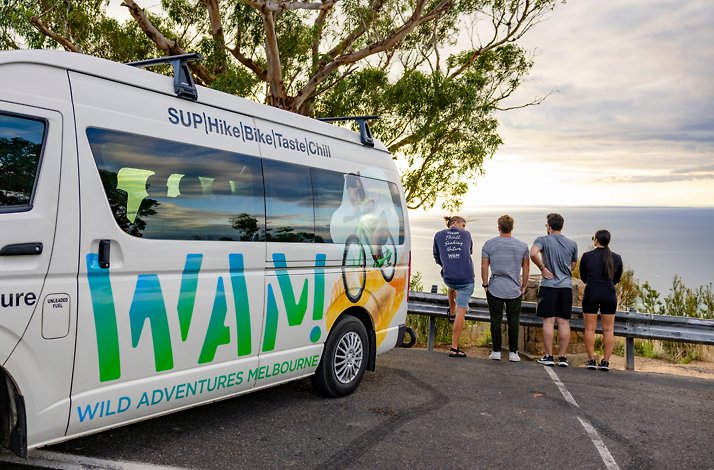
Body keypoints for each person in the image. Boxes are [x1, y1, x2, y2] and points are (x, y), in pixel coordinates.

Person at [530, 213, 578, 367]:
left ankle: (549, 356)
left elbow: (532, 253)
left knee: (549, 321)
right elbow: (573, 264)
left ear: (549, 226)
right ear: (561, 226)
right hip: (565, 287)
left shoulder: (542, 240)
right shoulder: (572, 243)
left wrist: (543, 268)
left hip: (549, 286)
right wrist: (564, 272)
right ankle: (563, 357)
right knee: (564, 322)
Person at [481, 215, 530, 362]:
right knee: (513, 320)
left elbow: (484, 266)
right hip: (514, 289)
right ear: (512, 227)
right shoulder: (522, 246)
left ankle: (496, 351)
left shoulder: (489, 244)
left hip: (495, 287)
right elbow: (526, 267)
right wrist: (524, 285)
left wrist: (485, 284)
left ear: (498, 227)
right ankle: (513, 353)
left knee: (495, 320)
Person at [580, 230, 623, 371]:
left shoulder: (587, 256)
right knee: (609, 330)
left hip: (591, 292)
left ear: (596, 240)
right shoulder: (616, 258)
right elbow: (616, 279)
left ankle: (591, 360)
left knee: (590, 329)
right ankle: (605, 362)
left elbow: (583, 277)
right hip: (609, 294)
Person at [433, 216, 475, 358]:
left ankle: (451, 311)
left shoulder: (438, 235)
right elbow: (469, 252)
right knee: (461, 311)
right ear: (456, 223)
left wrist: (448, 264)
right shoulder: (466, 235)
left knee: (452, 287)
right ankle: (454, 347)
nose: (464, 228)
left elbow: (437, 257)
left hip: (449, 278)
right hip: (466, 279)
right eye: (463, 225)